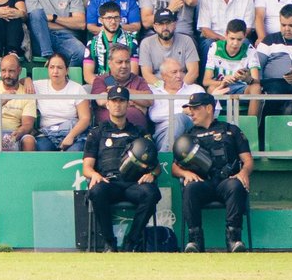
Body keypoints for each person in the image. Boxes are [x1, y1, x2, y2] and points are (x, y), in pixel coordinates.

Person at [173, 87, 253, 251]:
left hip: (226, 182)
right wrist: (185, 173)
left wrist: (243, 173)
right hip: (203, 183)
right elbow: (175, 167)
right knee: (190, 188)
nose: (191, 113)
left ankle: (234, 239)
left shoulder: (231, 130)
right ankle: (194, 240)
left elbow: (248, 160)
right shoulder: (189, 136)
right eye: (191, 109)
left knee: (235, 185)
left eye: (196, 108)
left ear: (209, 108)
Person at [82, 85, 159, 251]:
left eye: (122, 101)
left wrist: (152, 174)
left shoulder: (139, 131)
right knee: (96, 191)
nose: (117, 104)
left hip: (134, 184)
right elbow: (87, 167)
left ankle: (132, 241)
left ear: (128, 104)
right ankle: (109, 243)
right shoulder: (97, 132)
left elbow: (156, 166)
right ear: (107, 104)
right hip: (109, 182)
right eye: (114, 101)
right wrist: (94, 175)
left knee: (152, 193)